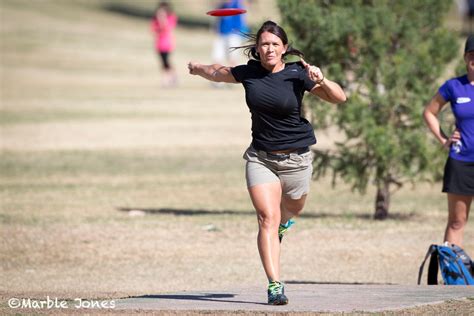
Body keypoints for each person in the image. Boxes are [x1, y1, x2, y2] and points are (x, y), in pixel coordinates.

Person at [188, 21, 346, 305]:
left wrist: (321, 79)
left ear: (284, 48)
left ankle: (286, 222)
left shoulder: (299, 74)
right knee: (266, 219)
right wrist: (198, 68)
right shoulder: (249, 73)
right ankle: (275, 285)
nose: (269, 48)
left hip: (297, 159)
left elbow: (339, 97)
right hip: (261, 158)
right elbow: (217, 72)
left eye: (275, 44)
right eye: (264, 44)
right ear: (257, 48)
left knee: (293, 208)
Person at [423, 35, 474, 248]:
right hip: (461, 160)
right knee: (456, 221)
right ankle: (454, 277)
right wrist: (444, 139)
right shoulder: (454, 86)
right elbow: (429, 112)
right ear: (465, 58)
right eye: (471, 54)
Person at [212, 0, 248, 67]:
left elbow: (243, 18)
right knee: (217, 57)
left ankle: (232, 75)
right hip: (222, 32)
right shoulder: (223, 5)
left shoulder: (238, 3)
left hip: (234, 33)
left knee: (232, 58)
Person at [151, 1, 178, 87]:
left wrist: (162, 19)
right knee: (163, 62)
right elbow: (153, 30)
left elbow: (168, 28)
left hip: (167, 43)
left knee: (166, 62)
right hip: (159, 44)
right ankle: (172, 77)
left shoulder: (171, 17)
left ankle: (167, 79)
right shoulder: (155, 19)